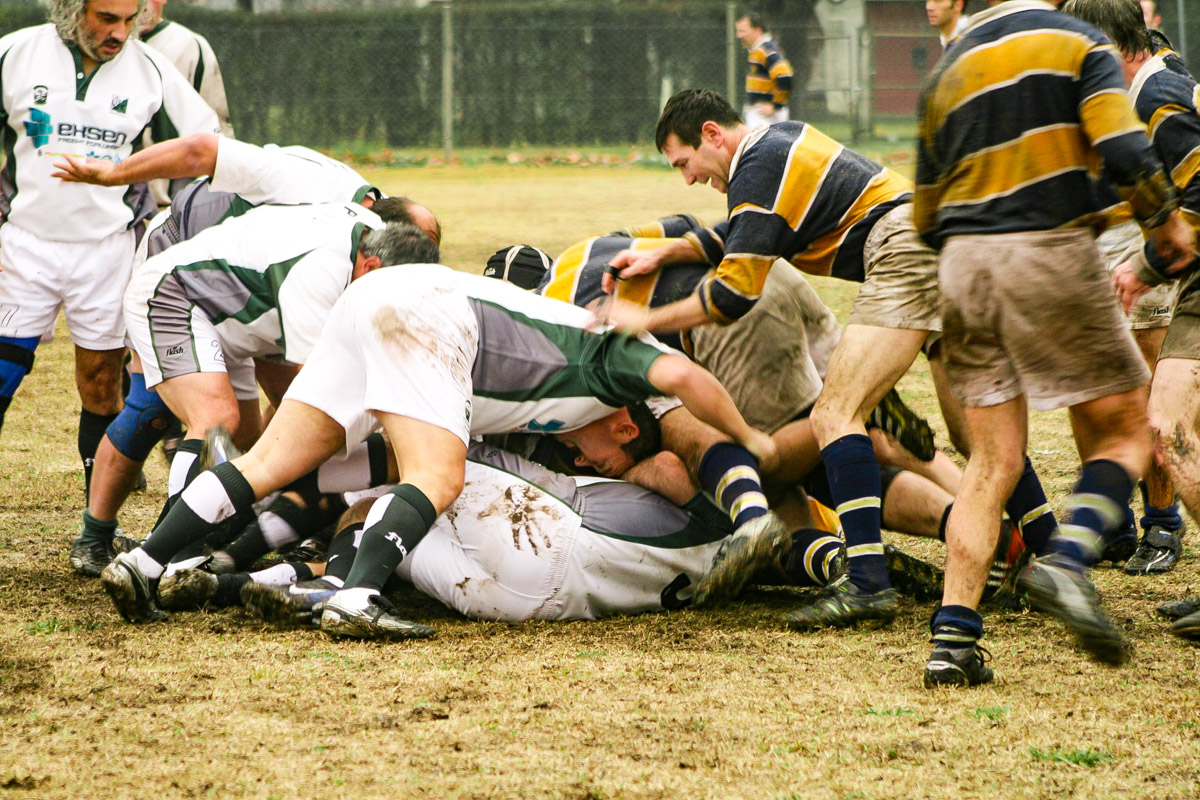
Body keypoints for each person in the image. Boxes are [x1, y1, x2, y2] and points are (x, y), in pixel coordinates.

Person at [100, 257, 781, 639]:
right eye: (605, 451)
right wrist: (750, 437)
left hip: (379, 297)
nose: (589, 459)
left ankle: (142, 561)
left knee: (270, 463)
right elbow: (688, 379)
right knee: (438, 475)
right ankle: (355, 596)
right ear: (627, 421)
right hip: (430, 315)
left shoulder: (558, 408)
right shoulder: (616, 362)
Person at [599, 89, 1059, 632]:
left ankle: (866, 583)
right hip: (941, 247)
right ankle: (1056, 556)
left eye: (685, 163)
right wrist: (666, 251)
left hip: (901, 249)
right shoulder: (776, 148)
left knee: (833, 416)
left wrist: (642, 322)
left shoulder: (756, 166)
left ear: (711, 134)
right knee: (974, 436)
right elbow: (744, 234)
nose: (689, 179)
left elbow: (733, 297)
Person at [915, 0, 1194, 685]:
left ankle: (951, 644)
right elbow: (1127, 150)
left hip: (959, 265)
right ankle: (1066, 564)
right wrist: (1165, 230)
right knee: (1129, 433)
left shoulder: (948, 63)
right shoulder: (1079, 43)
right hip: (1044, 250)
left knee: (992, 462)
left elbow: (925, 205)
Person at [54, 132, 440, 576]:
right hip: (179, 282)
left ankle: (202, 538)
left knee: (250, 446)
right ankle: (151, 550)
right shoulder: (320, 258)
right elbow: (317, 385)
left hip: (242, 301)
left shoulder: (361, 240)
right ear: (372, 255)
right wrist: (113, 174)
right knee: (204, 417)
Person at [161, 443, 946, 625]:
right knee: (382, 529)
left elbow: (677, 463)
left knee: (417, 462)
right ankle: (252, 583)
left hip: (546, 541)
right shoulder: (721, 509)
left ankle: (251, 533)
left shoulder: (674, 455)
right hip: (532, 603)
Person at [0, 0, 219, 500]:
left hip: (108, 248)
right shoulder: (15, 53)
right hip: (21, 243)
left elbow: (206, 144)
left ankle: (94, 523)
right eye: (106, 18)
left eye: (129, 19)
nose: (120, 32)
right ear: (70, 9)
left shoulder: (152, 70)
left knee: (102, 381)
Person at [1067, 0, 1195, 575]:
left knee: (1157, 397)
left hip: (1147, 247)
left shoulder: (1155, 93)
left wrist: (1149, 262)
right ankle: (1115, 519)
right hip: (1114, 242)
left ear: (1111, 45)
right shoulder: (1140, 86)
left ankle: (1162, 525)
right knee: (1104, 385)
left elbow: (1194, 194)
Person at [138, 0, 234, 206]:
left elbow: (216, 130)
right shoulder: (96, 48)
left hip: (166, 206)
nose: (141, 4)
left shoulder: (189, 45)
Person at [735, 13, 793, 129]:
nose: (738, 35)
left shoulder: (766, 50)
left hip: (766, 118)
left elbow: (784, 76)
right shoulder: (757, 51)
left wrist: (775, 106)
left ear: (758, 30)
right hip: (761, 116)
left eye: (743, 31)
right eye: (738, 31)